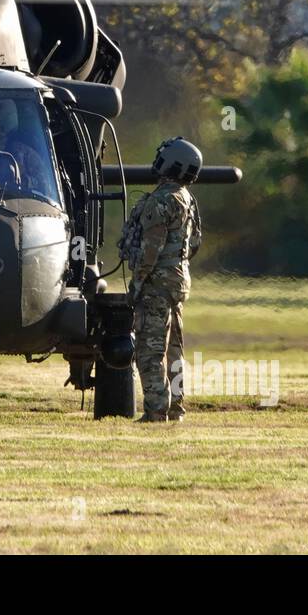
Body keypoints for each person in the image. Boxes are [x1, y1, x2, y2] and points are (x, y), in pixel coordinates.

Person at [120, 136, 203, 423]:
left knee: (150, 349)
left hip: (157, 285)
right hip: (178, 282)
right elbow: (193, 244)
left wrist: (138, 283)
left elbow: (150, 249)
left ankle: (156, 411)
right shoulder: (187, 199)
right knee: (175, 350)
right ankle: (175, 408)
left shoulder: (161, 200)